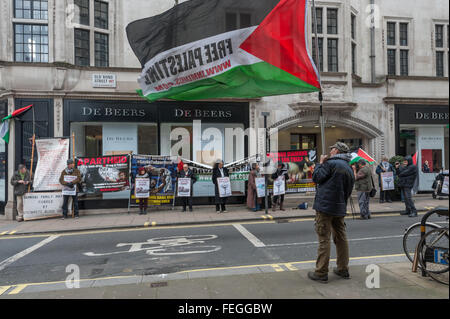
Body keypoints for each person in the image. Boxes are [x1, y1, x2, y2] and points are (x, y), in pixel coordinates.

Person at [308, 142, 355, 283]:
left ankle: (321, 272)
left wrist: (320, 163)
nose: (330, 151)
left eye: (332, 149)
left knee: (324, 238)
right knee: (341, 238)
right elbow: (349, 190)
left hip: (325, 207)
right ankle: (343, 269)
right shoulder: (348, 167)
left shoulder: (330, 164)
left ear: (337, 151)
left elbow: (316, 177)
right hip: (340, 207)